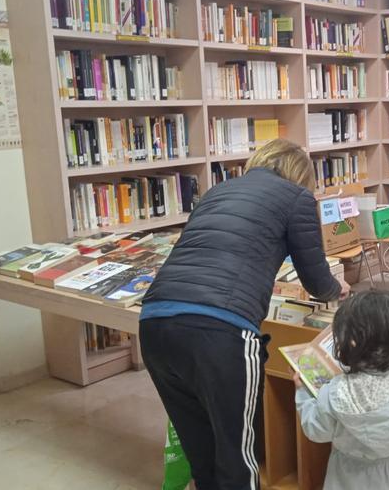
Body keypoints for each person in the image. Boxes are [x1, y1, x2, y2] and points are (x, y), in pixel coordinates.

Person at [138, 138, 350, 490]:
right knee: (237, 455)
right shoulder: (296, 198)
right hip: (221, 332)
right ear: (300, 174)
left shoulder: (219, 190)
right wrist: (335, 290)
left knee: (200, 448)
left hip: (156, 321)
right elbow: (314, 277)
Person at [294, 289, 389, 490]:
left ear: (351, 342)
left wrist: (303, 393)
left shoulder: (338, 391)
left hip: (351, 477)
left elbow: (317, 430)